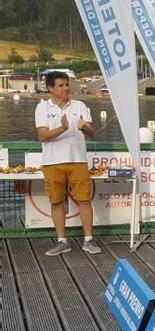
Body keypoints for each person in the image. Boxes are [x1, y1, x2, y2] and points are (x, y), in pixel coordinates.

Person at [36, 71, 101, 256]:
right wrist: (62, 128)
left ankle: (88, 240)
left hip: (78, 160)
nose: (66, 88)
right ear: (50, 88)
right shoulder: (42, 108)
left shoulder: (80, 105)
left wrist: (85, 127)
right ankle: (62, 241)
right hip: (52, 162)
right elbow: (42, 135)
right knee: (56, 202)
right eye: (61, 85)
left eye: (67, 84)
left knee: (84, 200)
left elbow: (92, 134)